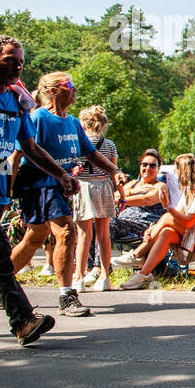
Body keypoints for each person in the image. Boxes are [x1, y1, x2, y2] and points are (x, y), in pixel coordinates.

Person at [0, 36, 73, 345]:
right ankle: (22, 320)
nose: (17, 65)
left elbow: (30, 148)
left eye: (20, 60)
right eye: (10, 59)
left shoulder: (14, 102)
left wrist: (62, 174)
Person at [8, 72, 121, 317]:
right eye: (69, 85)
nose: (74, 90)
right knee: (67, 230)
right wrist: (7, 189)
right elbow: (18, 154)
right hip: (38, 184)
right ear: (54, 90)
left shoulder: (71, 122)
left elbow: (90, 153)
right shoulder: (38, 117)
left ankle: (0, 283)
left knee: (35, 237)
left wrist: (115, 171)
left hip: (60, 185)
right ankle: (67, 296)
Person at [120, 153, 195, 289]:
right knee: (166, 232)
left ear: (183, 172)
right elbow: (177, 213)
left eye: (177, 171)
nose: (175, 174)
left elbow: (187, 222)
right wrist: (154, 228)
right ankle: (144, 275)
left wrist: (167, 208)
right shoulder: (189, 191)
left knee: (168, 216)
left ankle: (137, 254)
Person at [72, 105, 123, 293]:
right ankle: (104, 276)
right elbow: (113, 171)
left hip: (84, 186)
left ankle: (79, 277)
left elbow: (73, 168)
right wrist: (122, 195)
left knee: (84, 234)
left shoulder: (79, 143)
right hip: (104, 186)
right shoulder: (109, 145)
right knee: (103, 233)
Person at [111, 149, 171, 252]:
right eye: (145, 164)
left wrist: (121, 200)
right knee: (96, 224)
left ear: (158, 168)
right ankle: (90, 266)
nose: (147, 168)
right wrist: (132, 191)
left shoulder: (160, 186)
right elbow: (112, 197)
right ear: (140, 166)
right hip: (123, 223)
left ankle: (100, 265)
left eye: (152, 166)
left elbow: (147, 199)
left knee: (108, 224)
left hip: (145, 225)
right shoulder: (133, 184)